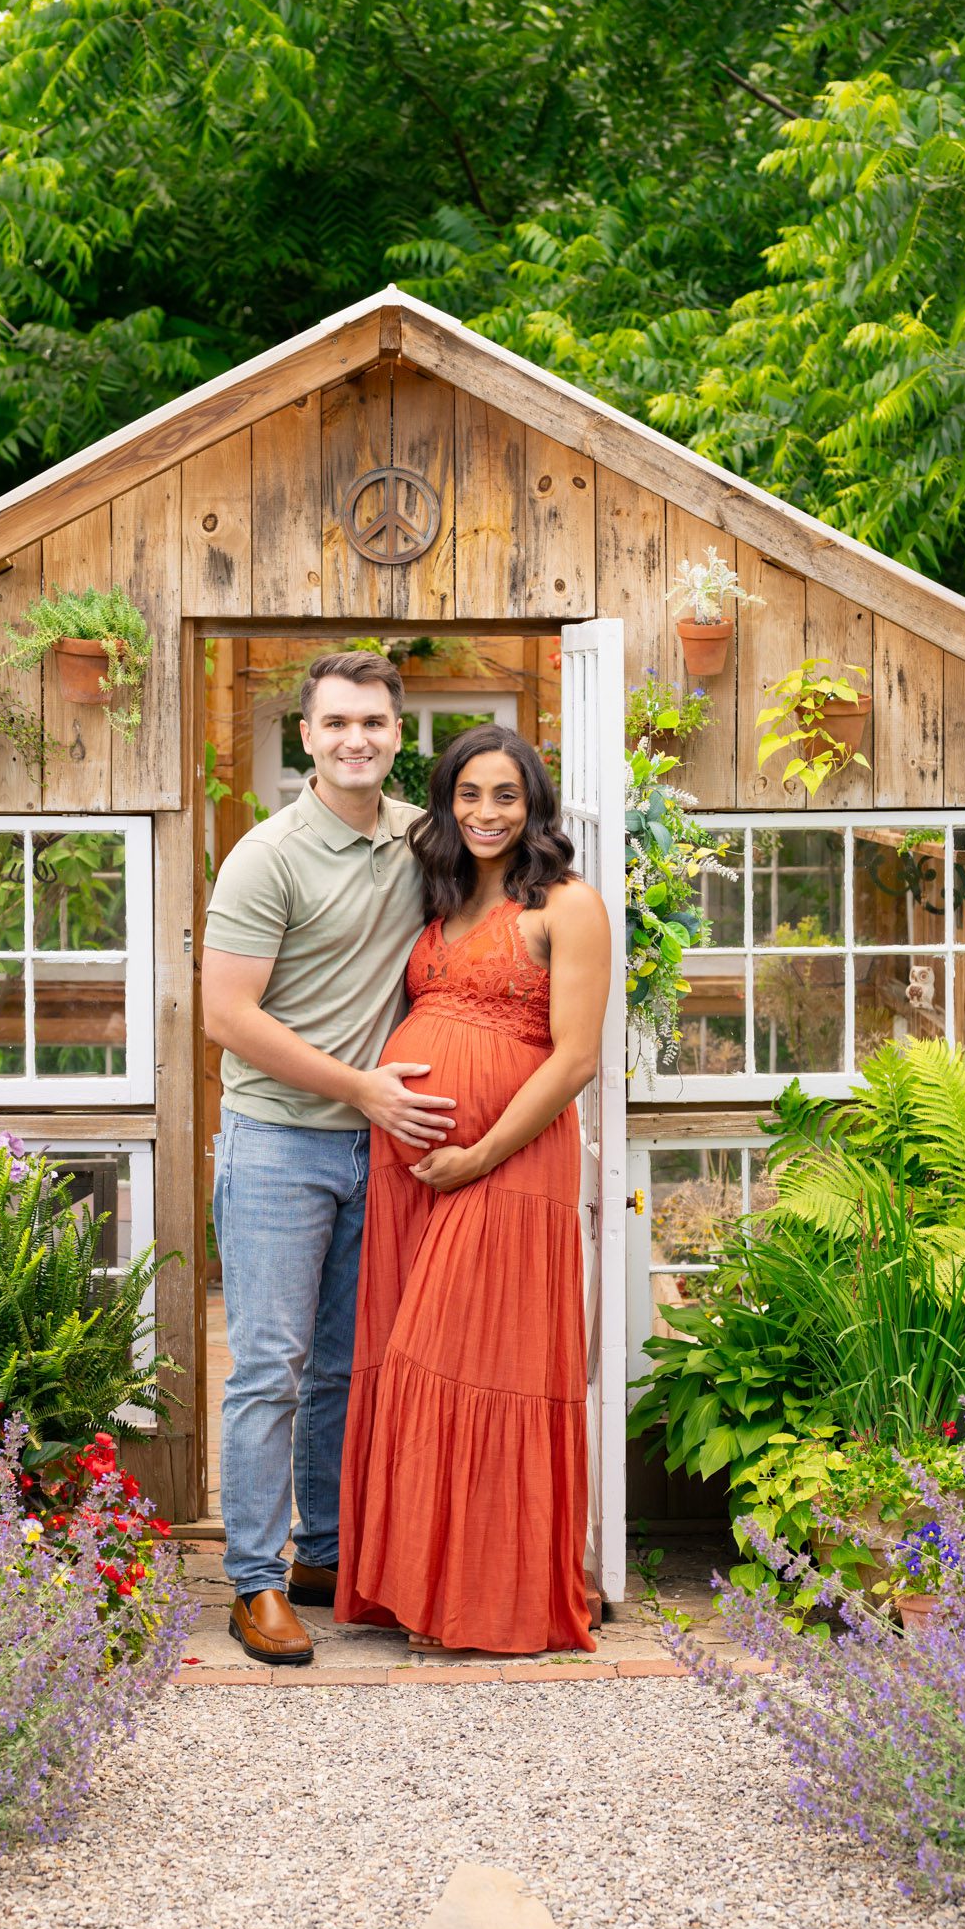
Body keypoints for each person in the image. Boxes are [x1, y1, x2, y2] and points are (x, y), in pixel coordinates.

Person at [201, 649, 456, 1667]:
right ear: (303, 736)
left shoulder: (423, 844)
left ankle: (325, 1553)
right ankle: (254, 1582)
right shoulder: (266, 856)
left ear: (398, 736)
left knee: (346, 1367)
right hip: (277, 1142)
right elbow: (226, 1015)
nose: (357, 738)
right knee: (269, 1362)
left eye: (376, 723)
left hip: (381, 1149)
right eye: (337, 721)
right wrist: (357, 1088)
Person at [335, 723, 612, 1656]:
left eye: (505, 794)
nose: (487, 813)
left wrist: (479, 1152)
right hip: (412, 1170)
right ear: (446, 804)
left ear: (534, 803)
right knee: (404, 1361)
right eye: (468, 794)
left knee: (462, 1362)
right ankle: (419, 1591)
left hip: (506, 1165)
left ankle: (485, 1596)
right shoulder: (442, 899)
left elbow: (573, 1059)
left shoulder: (567, 906)